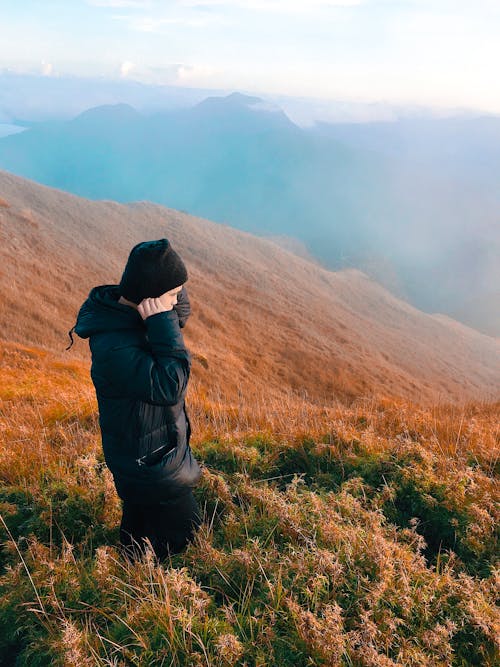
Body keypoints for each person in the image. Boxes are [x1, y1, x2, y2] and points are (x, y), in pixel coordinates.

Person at [66, 238, 203, 561]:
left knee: (138, 537)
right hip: (152, 466)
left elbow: (181, 311)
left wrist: (165, 300)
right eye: (170, 295)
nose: (177, 302)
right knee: (186, 546)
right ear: (150, 299)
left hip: (150, 456)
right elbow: (171, 384)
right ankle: (151, 595)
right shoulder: (115, 346)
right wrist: (161, 320)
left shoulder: (128, 313)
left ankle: (128, 569)